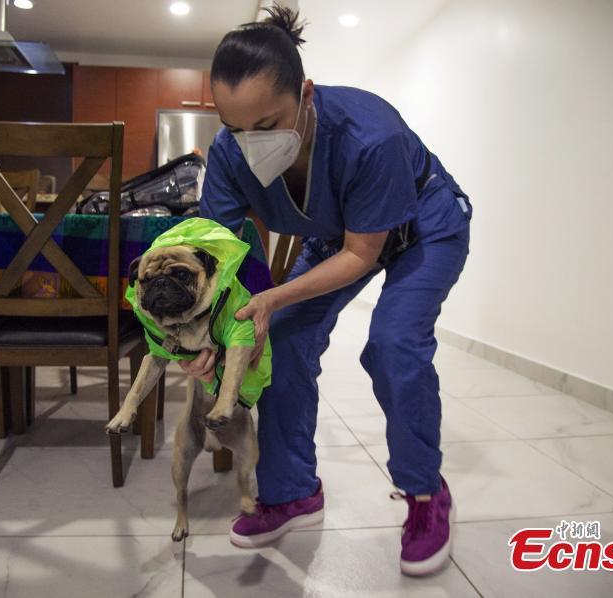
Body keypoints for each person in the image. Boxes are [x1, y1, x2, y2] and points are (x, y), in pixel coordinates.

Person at [180, 5, 472, 576]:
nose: (251, 143)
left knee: (393, 342)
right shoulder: (229, 154)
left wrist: (270, 299)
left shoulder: (370, 135)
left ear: (306, 94)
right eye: (236, 128)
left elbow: (363, 254)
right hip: (339, 235)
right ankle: (292, 493)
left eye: (267, 124)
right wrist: (211, 332)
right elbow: (218, 251)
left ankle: (425, 493)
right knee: (282, 340)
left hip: (425, 227)